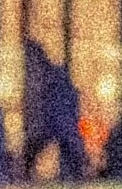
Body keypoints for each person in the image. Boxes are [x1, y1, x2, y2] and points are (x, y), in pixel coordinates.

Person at [21, 39, 88, 180]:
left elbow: (64, 128)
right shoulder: (57, 83)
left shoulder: (56, 88)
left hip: (60, 143)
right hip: (61, 148)